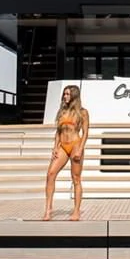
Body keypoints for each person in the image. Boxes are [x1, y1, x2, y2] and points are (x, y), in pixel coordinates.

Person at [43, 84, 90, 221]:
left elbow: (86, 132)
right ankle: (48, 209)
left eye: (67, 94)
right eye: (64, 94)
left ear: (74, 95)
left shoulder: (82, 112)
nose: (65, 96)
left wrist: (80, 149)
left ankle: (76, 211)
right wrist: (55, 147)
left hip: (75, 144)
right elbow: (58, 131)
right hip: (63, 145)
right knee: (50, 174)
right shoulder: (62, 111)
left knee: (76, 179)